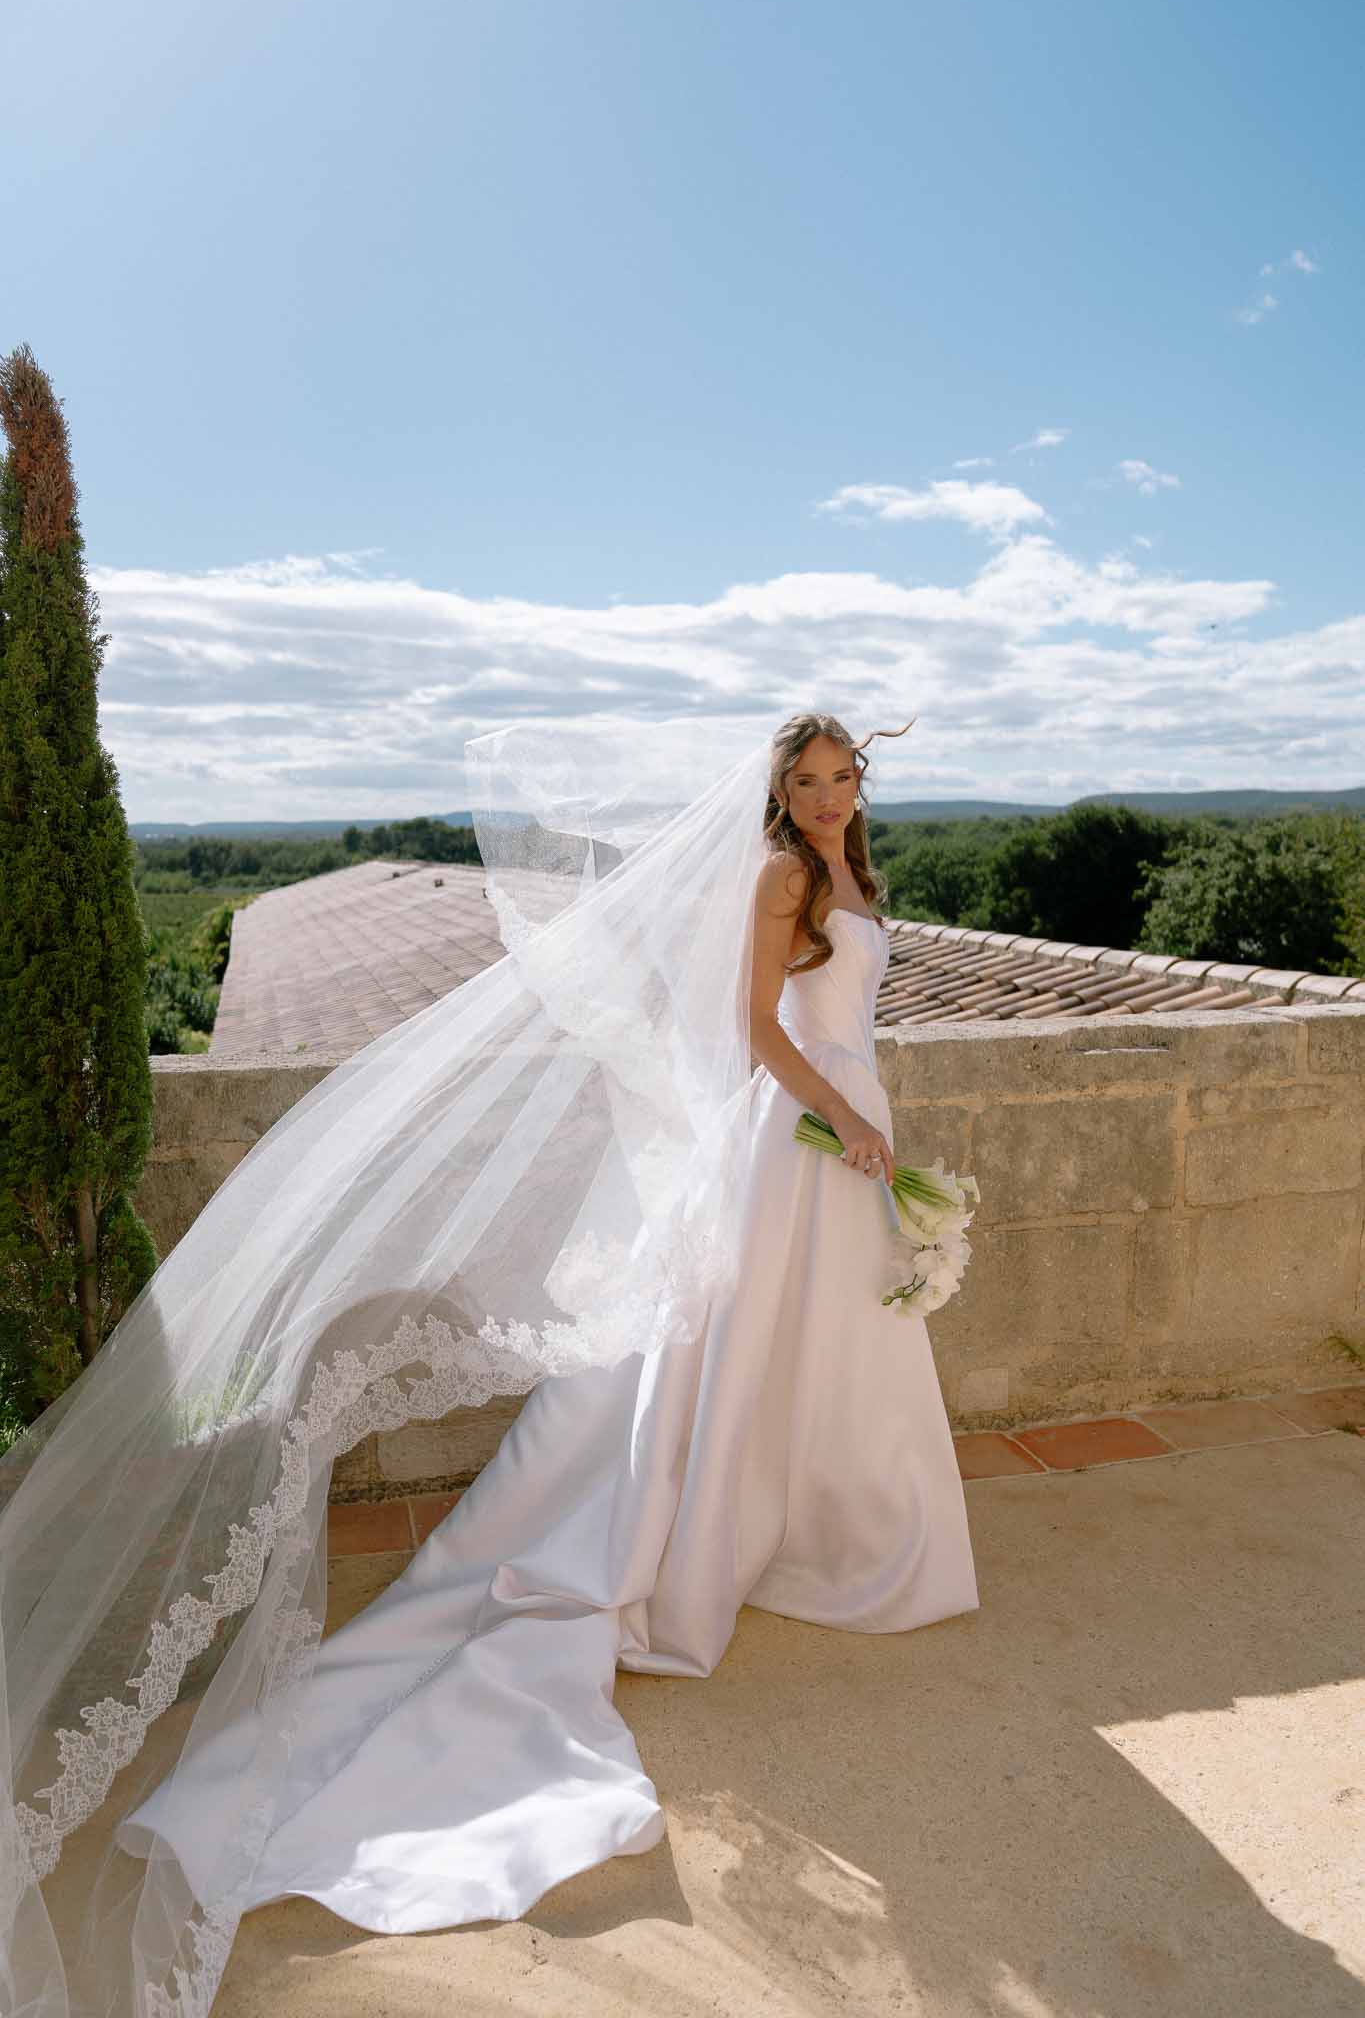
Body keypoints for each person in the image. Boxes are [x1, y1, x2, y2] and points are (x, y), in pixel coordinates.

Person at [0, 708, 978, 2014]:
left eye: (841, 776)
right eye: (803, 780)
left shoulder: (853, 867)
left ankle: (826, 1524)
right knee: (742, 1353)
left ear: (864, 781)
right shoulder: (785, 875)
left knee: (827, 1346)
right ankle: (706, 1540)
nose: (824, 796)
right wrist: (847, 1114)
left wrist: (860, 1113)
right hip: (805, 1132)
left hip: (841, 1131)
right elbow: (756, 1027)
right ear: (773, 793)